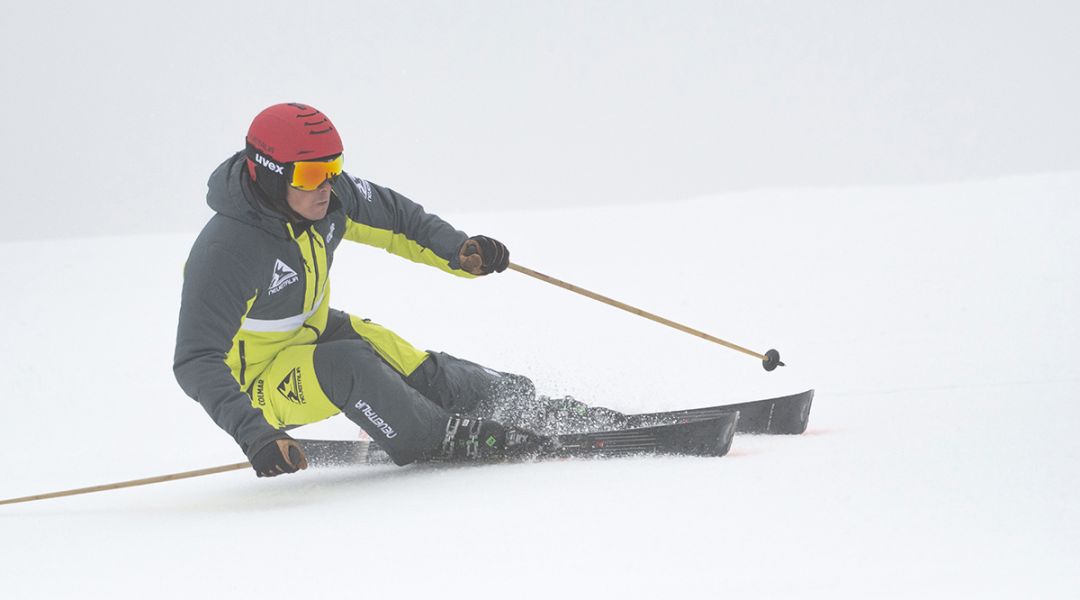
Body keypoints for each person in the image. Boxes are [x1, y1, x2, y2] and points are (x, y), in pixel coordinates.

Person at [174, 103, 622, 478]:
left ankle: (524, 407)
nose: (327, 186)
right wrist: (256, 433)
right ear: (270, 175)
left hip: (309, 334)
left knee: (405, 359)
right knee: (348, 364)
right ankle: (438, 436)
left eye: (333, 169)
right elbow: (196, 361)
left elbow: (398, 219)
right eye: (312, 174)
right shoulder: (226, 251)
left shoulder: (327, 199)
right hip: (257, 384)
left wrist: (459, 249)